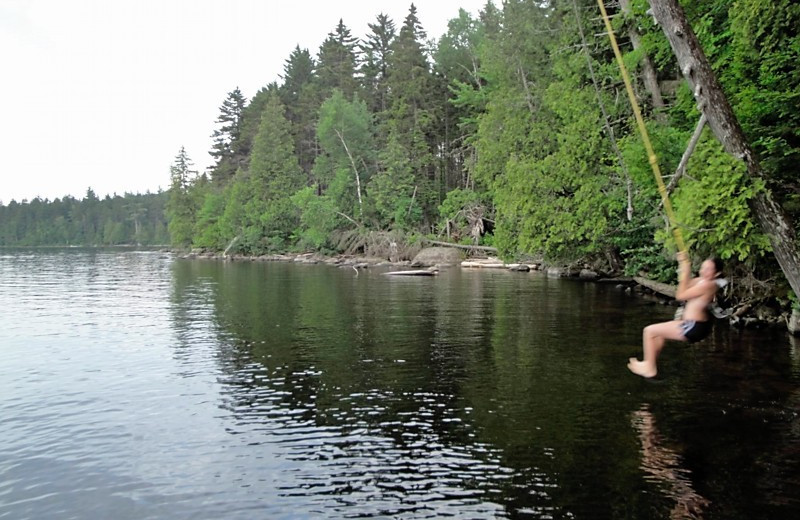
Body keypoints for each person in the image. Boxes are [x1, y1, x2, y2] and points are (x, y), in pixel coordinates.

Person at [628, 252, 723, 378]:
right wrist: (683, 265)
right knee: (658, 336)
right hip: (694, 325)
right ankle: (649, 364)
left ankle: (649, 368)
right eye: (703, 268)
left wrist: (686, 270)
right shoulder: (702, 281)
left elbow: (680, 295)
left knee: (649, 331)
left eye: (708, 269)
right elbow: (686, 283)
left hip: (694, 326)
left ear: (717, 273)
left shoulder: (709, 285)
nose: (703, 271)